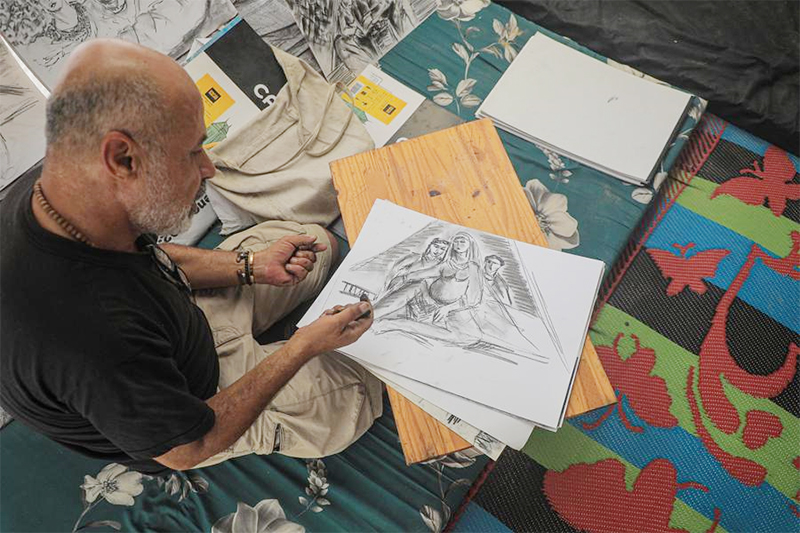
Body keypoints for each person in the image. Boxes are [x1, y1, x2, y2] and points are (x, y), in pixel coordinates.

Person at [0, 39, 381, 474]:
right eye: (192, 152)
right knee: (359, 389)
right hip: (192, 407)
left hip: (177, 326)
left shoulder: (60, 187)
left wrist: (251, 266)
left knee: (313, 241)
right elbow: (187, 449)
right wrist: (302, 346)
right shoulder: (91, 341)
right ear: (122, 159)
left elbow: (155, 261)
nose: (209, 169)